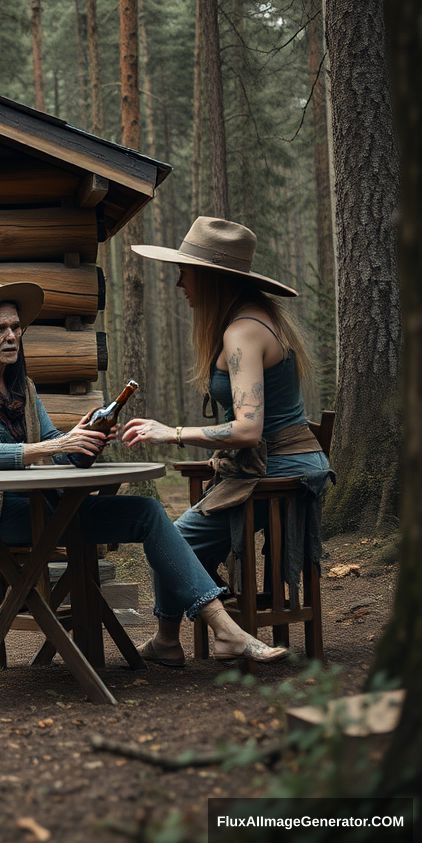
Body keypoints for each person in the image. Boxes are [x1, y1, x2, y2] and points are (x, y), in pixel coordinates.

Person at [0, 276, 288, 665]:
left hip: (47, 509)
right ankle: (228, 632)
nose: (11, 336)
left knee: (147, 513)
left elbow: (62, 453)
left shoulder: (24, 387)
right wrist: (59, 443)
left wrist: (86, 440)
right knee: (119, 508)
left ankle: (220, 630)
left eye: (16, 327)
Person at [123, 216, 333, 666]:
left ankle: (168, 640)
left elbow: (247, 430)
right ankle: (170, 641)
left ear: (211, 276)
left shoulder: (242, 332)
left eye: (185, 270)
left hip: (280, 468)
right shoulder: (256, 319)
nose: (179, 281)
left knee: (172, 536)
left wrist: (172, 433)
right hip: (291, 463)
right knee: (183, 537)